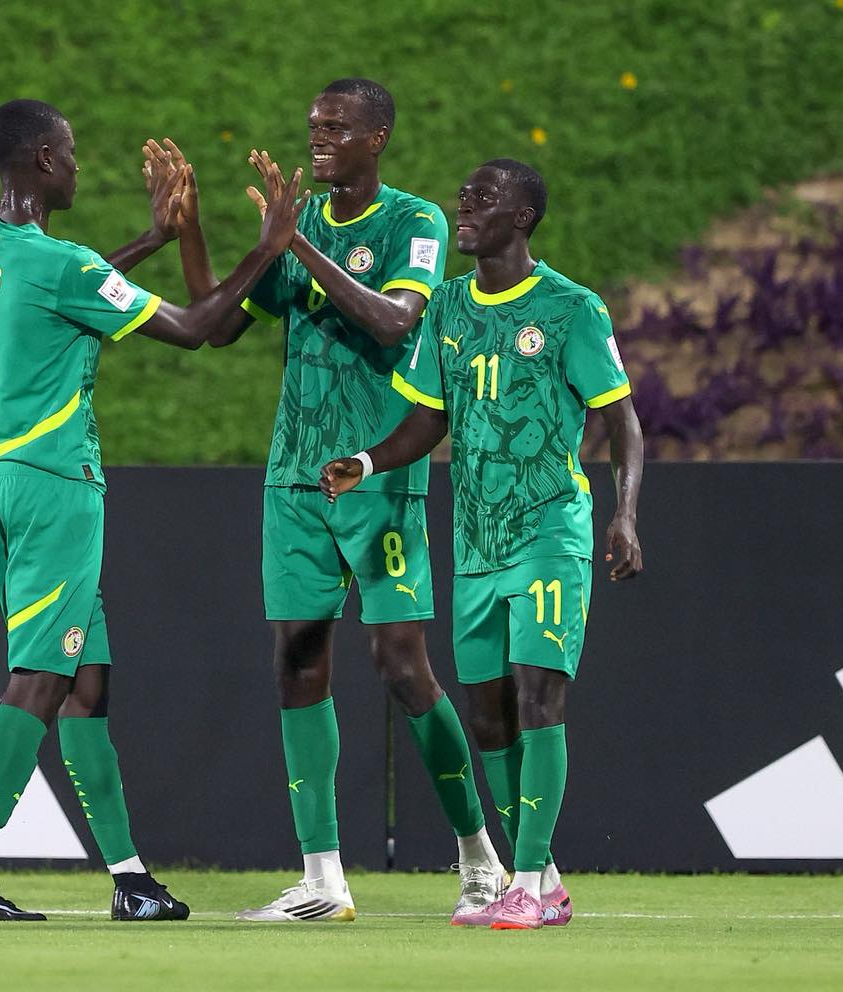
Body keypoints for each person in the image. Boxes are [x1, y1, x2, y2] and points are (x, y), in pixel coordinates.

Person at [0, 98, 308, 922]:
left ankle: (130, 880)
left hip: (4, 477)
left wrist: (155, 240)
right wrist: (268, 247)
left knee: (85, 683)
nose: (77, 165)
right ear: (41, 161)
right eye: (68, 153)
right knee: (40, 676)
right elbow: (198, 327)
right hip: (56, 486)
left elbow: (66, 284)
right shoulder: (62, 265)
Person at [144, 78, 502, 924]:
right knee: (297, 662)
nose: (318, 139)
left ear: (377, 138)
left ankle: (479, 856)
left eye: (336, 128)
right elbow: (215, 323)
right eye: (313, 126)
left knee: (402, 666)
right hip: (294, 479)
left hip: (377, 476)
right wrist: (189, 228)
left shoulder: (414, 221)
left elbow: (396, 321)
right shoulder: (295, 221)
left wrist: (294, 244)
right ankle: (322, 879)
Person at [321, 159, 645, 929]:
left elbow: (623, 422)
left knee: (539, 697)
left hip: (547, 532)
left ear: (522, 217)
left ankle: (526, 880)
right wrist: (366, 461)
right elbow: (428, 418)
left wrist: (625, 514)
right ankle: (545, 879)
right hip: (474, 543)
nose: (464, 205)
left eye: (484, 198)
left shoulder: (571, 308)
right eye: (463, 195)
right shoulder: (448, 307)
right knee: (490, 716)